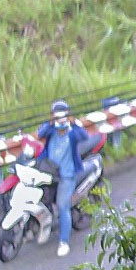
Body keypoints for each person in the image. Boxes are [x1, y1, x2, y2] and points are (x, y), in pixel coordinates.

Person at [35, 100, 100, 257]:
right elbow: (40, 134)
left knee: (63, 206)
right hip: (50, 173)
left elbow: (84, 136)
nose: (60, 120)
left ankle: (64, 241)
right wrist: (50, 123)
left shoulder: (73, 132)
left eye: (63, 116)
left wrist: (74, 123)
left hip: (67, 175)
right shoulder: (50, 130)